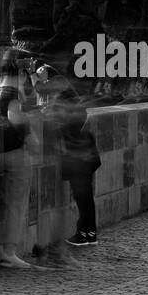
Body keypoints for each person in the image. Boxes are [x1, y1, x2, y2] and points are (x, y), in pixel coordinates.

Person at [0, 61, 33, 268]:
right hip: (15, 152)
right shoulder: (11, 94)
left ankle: (4, 249)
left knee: (7, 202)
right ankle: (9, 251)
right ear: (21, 75)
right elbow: (14, 119)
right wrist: (30, 134)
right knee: (16, 203)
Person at [53, 86, 100, 247]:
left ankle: (83, 234)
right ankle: (90, 233)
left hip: (79, 161)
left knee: (82, 198)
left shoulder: (72, 118)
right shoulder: (81, 112)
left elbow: (66, 132)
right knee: (87, 198)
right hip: (88, 159)